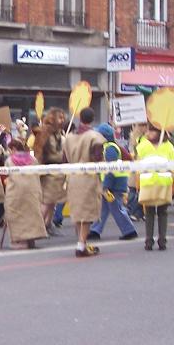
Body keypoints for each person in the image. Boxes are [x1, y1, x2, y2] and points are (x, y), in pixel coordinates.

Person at [64, 107, 107, 257]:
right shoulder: (95, 137)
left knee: (77, 212)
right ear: (93, 119)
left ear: (80, 118)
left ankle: (81, 242)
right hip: (88, 178)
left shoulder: (68, 137)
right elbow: (97, 157)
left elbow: (64, 159)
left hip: (73, 177)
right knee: (87, 214)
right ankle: (81, 245)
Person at [89, 123, 137, 241]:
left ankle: (129, 231)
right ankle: (95, 230)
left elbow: (110, 169)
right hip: (113, 183)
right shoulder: (110, 147)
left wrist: (106, 186)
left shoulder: (109, 148)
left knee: (116, 208)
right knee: (103, 208)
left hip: (113, 184)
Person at [136, 124, 174, 251]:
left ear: (159, 133)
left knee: (162, 213)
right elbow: (137, 165)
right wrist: (137, 184)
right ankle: (149, 240)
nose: (148, 134)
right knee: (149, 213)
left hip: (163, 183)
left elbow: (173, 166)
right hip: (149, 183)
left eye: (151, 131)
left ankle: (162, 240)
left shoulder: (168, 146)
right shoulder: (142, 145)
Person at [3, 134, 47, 249]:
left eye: (10, 150)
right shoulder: (33, 159)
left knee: (17, 215)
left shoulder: (9, 160)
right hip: (33, 190)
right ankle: (31, 239)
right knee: (32, 215)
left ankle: (20, 241)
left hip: (16, 191)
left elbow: (7, 176)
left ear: (13, 149)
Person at [34, 108, 68, 235]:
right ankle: (39, 228)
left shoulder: (60, 133)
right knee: (47, 201)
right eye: (60, 117)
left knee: (52, 202)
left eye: (63, 117)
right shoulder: (45, 133)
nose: (62, 120)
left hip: (59, 172)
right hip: (49, 171)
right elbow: (42, 153)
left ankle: (48, 225)